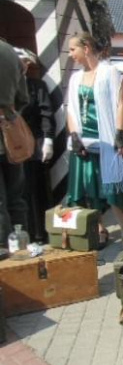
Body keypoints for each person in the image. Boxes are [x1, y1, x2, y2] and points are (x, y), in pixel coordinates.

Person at [65, 32, 123, 250]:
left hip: (106, 138)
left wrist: (119, 134)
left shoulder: (109, 72)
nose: (70, 54)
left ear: (86, 48)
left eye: (72, 49)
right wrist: (74, 136)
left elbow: (120, 104)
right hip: (83, 140)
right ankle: (100, 229)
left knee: (113, 188)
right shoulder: (75, 78)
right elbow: (71, 110)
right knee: (89, 188)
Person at [15, 48, 55, 243]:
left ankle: (39, 233)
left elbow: (46, 113)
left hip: (34, 144)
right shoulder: (8, 86)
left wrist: (48, 138)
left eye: (24, 63)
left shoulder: (36, 86)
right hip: (12, 144)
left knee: (35, 191)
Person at [0, 39, 29, 249]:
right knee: (16, 199)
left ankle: (3, 255)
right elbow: (23, 97)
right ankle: (20, 251)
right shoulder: (9, 50)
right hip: (11, 133)